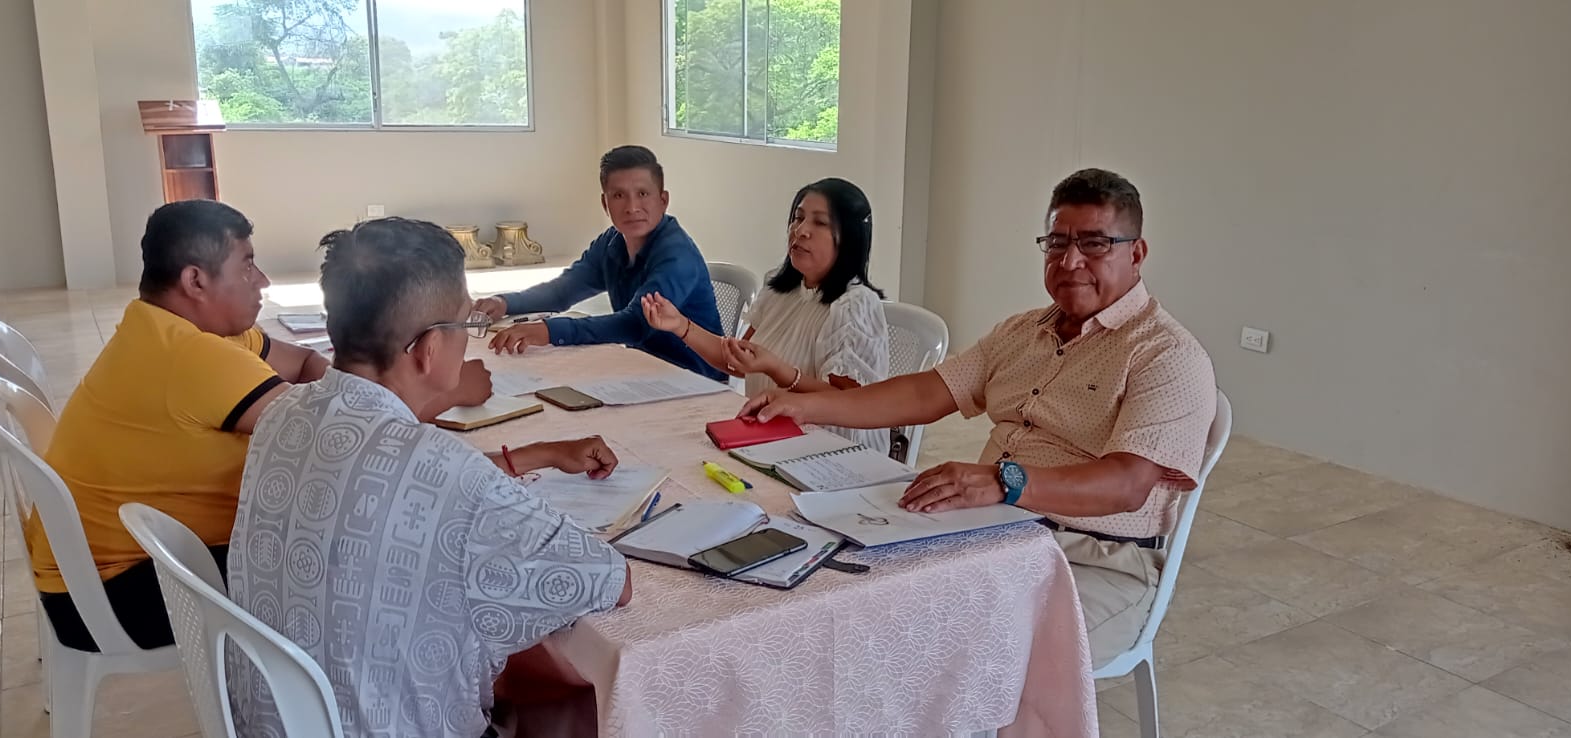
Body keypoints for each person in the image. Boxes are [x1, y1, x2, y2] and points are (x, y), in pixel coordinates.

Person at [740, 169, 1217, 665]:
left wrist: (1004, 481)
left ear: (1136, 253)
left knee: (957, 657)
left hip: (1094, 560)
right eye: (1057, 242)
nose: (1070, 261)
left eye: (1095, 244)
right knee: (847, 601)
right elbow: (927, 392)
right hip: (991, 530)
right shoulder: (1022, 332)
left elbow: (1127, 485)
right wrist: (805, 403)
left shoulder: (1166, 355)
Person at [29, 201, 493, 654]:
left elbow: (307, 364)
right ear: (195, 280)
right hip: (110, 595)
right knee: (368, 549)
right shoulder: (192, 358)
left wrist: (358, 390)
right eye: (247, 265)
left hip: (96, 571)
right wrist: (446, 392)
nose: (263, 281)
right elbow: (344, 446)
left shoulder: (171, 327)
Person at [228, 217, 631, 738]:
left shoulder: (284, 415)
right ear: (428, 348)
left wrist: (539, 455)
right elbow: (612, 581)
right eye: (466, 324)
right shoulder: (448, 471)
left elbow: (402, 478)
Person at [641, 177, 891, 452]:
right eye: (798, 218)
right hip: (773, 440)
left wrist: (778, 370)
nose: (801, 231)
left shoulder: (854, 305)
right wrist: (680, 325)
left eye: (820, 223)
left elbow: (852, 405)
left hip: (834, 455)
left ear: (849, 239)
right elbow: (738, 362)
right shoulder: (780, 291)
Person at [475, 145, 726, 380]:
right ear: (605, 204)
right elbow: (563, 291)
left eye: (642, 194)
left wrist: (550, 331)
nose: (632, 207)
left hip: (695, 381)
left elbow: (634, 325)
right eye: (619, 195)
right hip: (641, 370)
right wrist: (504, 302)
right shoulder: (612, 241)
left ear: (663, 200)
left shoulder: (677, 255)